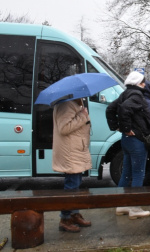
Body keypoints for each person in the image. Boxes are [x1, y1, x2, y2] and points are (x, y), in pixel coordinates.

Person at [106, 71, 150, 220]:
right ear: (139, 83)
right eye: (143, 82)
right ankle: (134, 208)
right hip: (137, 140)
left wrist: (117, 127)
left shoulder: (125, 94)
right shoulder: (137, 95)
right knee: (138, 173)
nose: (145, 85)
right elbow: (125, 109)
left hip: (126, 140)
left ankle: (121, 205)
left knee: (126, 172)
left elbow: (110, 109)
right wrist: (126, 127)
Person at [52, 98, 92, 232]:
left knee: (76, 184)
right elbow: (64, 128)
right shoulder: (66, 104)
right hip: (70, 151)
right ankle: (65, 218)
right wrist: (82, 116)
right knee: (72, 186)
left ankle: (74, 214)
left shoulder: (73, 103)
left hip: (75, 150)